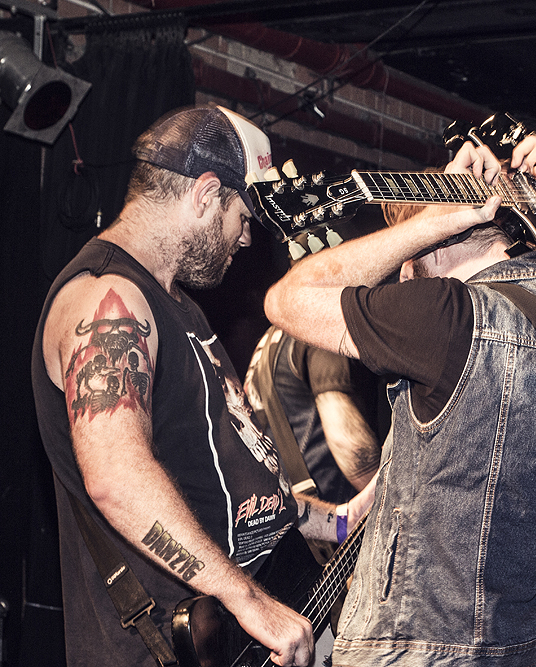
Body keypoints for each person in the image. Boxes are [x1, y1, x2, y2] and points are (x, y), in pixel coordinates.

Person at [264, 134, 536, 666]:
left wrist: (426, 223)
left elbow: (287, 299)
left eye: (408, 260)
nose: (402, 273)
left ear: (438, 245)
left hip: (429, 648)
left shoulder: (442, 313)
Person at [30, 105, 371, 667]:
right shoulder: (106, 300)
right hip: (174, 645)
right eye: (243, 217)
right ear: (206, 194)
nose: (246, 239)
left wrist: (337, 520)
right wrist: (248, 600)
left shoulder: (181, 307)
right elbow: (115, 475)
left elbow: (231, 482)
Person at [245, 227, 382, 506]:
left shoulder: (269, 341)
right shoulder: (317, 327)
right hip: (340, 511)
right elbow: (351, 447)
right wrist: (389, 502)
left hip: (298, 513)